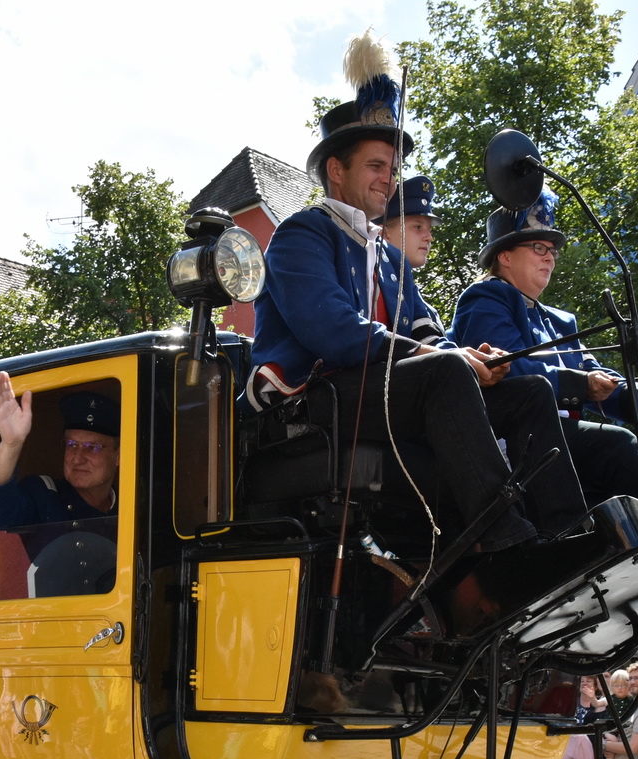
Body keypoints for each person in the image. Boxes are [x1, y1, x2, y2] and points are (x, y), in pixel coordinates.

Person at [247, 30, 588, 556]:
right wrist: (443, 359)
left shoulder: (386, 254)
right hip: (316, 404)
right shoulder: (302, 234)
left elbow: (428, 330)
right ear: (336, 171)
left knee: (528, 394)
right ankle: (506, 542)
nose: (388, 180)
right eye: (375, 167)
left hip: (382, 392)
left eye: (392, 168)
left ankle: (568, 538)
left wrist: (472, 356)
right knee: (445, 373)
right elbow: (337, 336)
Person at [449, 192, 638, 505]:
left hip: (557, 435)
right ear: (505, 256)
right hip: (509, 437)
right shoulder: (486, 297)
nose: (550, 257)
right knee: (619, 445)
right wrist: (580, 385)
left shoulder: (558, 320)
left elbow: (594, 371)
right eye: (538, 247)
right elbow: (510, 367)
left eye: (552, 251)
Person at [0, 380, 121, 530]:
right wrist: (10, 445)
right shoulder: (44, 495)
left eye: (92, 447)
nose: (77, 458)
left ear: (118, 456)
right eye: (72, 445)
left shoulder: (131, 507)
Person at [373, 175, 446, 344]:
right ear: (383, 234)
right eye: (418, 227)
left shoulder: (419, 301)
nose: (429, 238)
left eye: (429, 230)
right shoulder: (371, 278)